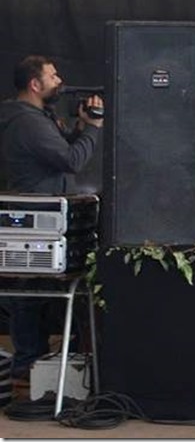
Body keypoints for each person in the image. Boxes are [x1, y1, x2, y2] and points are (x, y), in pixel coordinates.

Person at [0, 56, 103, 381]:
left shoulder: (35, 118)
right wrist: (94, 130)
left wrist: (79, 127)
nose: (59, 80)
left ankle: (34, 361)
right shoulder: (28, 122)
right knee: (28, 294)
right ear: (35, 84)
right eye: (53, 75)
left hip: (47, 214)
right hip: (38, 214)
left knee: (34, 293)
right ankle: (26, 365)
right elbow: (70, 160)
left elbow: (56, 152)